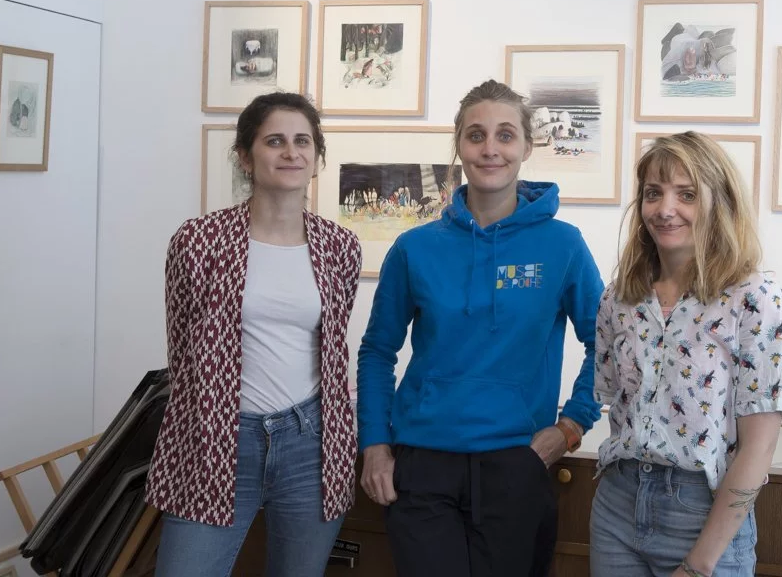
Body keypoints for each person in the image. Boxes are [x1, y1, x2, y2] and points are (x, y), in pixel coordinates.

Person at [355, 79, 604, 577]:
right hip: (421, 463)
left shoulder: (564, 246)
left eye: (505, 135)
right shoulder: (414, 248)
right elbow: (377, 351)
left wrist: (571, 426)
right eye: (476, 135)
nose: (491, 148)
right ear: (460, 147)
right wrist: (375, 445)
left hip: (517, 461)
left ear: (527, 147)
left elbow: (609, 345)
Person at [146, 92, 363, 577]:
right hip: (217, 437)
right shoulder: (198, 241)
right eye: (275, 141)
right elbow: (182, 349)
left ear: (316, 156)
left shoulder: (339, 246)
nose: (291, 152)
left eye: (303, 141)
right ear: (246, 156)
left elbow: (332, 348)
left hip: (311, 444)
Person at [590, 131, 782, 577]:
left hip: (703, 512)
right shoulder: (618, 299)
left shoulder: (757, 300)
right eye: (653, 194)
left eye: (687, 194)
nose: (665, 209)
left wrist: (701, 563)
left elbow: (758, 449)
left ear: (718, 202)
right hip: (617, 505)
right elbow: (619, 410)